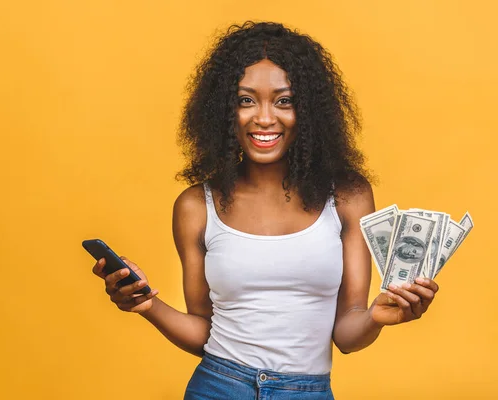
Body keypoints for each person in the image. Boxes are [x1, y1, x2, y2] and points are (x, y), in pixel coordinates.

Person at [92, 21, 439, 399]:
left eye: (284, 100)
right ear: (224, 112)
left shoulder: (347, 197)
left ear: (308, 111)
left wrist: (376, 316)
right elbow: (204, 332)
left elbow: (346, 336)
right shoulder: (196, 206)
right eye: (245, 100)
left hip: (307, 390)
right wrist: (146, 304)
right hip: (218, 386)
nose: (264, 117)